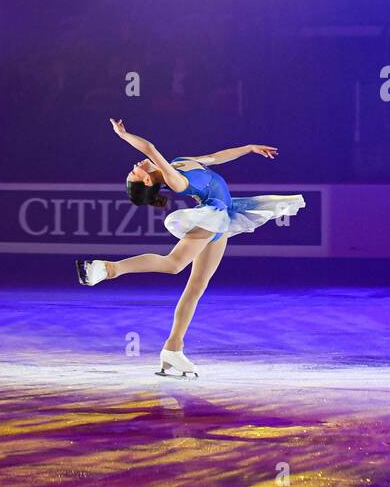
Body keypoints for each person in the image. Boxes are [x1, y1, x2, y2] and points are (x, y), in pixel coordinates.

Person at [76, 118, 305, 377]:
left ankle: (173, 348)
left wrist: (248, 147)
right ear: (149, 182)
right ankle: (106, 269)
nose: (134, 167)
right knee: (174, 264)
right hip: (212, 216)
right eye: (135, 173)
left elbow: (214, 157)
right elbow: (150, 149)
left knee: (196, 287)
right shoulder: (175, 179)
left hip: (223, 219)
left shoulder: (178, 162)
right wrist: (123, 134)